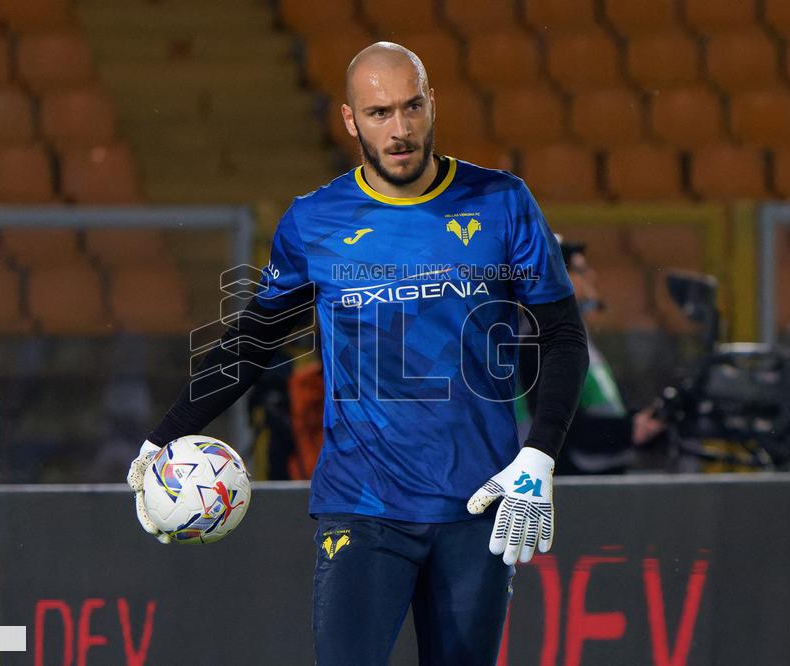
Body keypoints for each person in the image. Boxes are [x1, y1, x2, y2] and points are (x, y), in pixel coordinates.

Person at [127, 42, 588, 665]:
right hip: (362, 506)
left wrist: (540, 453)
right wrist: (162, 437)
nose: (400, 129)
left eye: (411, 107)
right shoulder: (314, 222)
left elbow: (562, 337)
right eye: (378, 113)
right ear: (350, 119)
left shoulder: (502, 202)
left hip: (478, 502)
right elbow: (254, 341)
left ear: (432, 105)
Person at [527, 238, 665, 475]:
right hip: (572, 483)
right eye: (579, 270)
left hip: (601, 476)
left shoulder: (577, 338)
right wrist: (629, 429)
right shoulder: (542, 345)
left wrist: (637, 423)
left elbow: (602, 408)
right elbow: (563, 428)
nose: (591, 276)